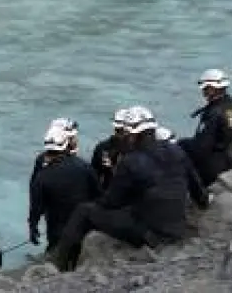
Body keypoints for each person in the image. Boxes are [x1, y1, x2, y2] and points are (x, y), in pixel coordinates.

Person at [51, 107, 209, 272]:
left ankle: (60, 267)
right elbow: (199, 192)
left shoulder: (131, 161)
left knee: (83, 211)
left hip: (149, 233)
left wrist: (96, 201)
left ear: (134, 136)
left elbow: (111, 202)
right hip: (178, 228)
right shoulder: (177, 150)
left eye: (126, 134)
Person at [29, 127, 100, 254]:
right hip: (85, 227)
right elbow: (98, 195)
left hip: (57, 232)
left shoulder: (42, 177)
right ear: (66, 145)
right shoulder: (84, 166)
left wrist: (33, 228)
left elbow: (36, 208)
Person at [180, 68, 232, 187]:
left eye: (205, 88)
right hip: (224, 156)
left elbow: (201, 147)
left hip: (210, 165)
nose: (203, 91)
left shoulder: (214, 113)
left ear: (213, 88)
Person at [90, 108, 127, 191]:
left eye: (121, 130)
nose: (119, 133)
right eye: (117, 130)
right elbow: (94, 176)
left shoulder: (135, 150)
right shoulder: (102, 148)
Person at [31, 118, 79, 182]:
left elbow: (33, 184)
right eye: (73, 138)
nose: (76, 141)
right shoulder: (79, 167)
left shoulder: (41, 160)